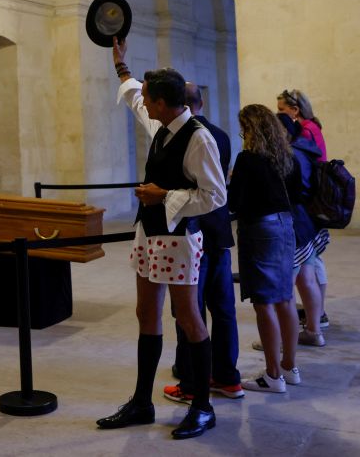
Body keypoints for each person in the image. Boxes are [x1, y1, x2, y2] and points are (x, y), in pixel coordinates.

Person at [98, 38, 227, 440]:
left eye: (150, 100)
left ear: (166, 103)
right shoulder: (162, 123)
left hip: (178, 240)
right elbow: (136, 97)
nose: (145, 105)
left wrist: (163, 196)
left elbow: (216, 195)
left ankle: (203, 407)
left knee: (188, 318)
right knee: (146, 313)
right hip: (148, 233)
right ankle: (142, 402)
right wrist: (121, 66)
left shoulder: (198, 138)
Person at [163, 82, 243, 403]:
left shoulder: (187, 137)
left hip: (193, 231)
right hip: (219, 232)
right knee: (222, 309)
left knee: (189, 311)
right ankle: (227, 376)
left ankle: (191, 376)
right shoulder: (221, 135)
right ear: (202, 101)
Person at [229, 105, 301, 393]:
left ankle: (272, 374)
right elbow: (295, 195)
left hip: (260, 229)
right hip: (285, 226)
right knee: (285, 297)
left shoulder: (248, 159)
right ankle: (289, 367)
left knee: (263, 302)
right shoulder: (285, 157)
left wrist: (234, 180)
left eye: (243, 127)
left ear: (251, 129)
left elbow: (235, 203)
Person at [277, 88, 331, 330]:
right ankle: (316, 318)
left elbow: (299, 176)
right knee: (311, 264)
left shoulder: (305, 133)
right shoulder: (312, 127)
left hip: (305, 209)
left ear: (294, 110)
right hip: (311, 206)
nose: (280, 116)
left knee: (305, 268)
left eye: (281, 110)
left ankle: (316, 316)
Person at [277, 89, 326, 161]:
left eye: (281, 109)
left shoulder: (305, 131)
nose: (278, 112)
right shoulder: (311, 124)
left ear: (295, 110)